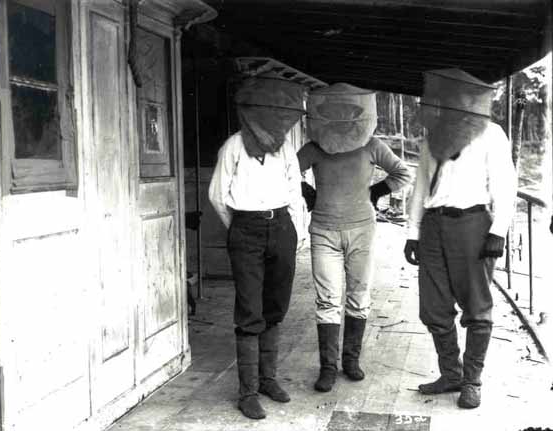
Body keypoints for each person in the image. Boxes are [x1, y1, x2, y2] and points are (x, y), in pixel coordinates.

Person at [404, 68, 517, 409]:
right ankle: (450, 373)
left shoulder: (491, 134)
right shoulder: (432, 138)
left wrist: (498, 231)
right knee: (433, 308)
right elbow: (420, 186)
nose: (456, 105)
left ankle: (472, 381)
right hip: (434, 226)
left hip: (473, 223)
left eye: (462, 99)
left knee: (477, 308)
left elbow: (505, 185)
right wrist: (412, 233)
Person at [297, 83, 412, 392]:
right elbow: (285, 172)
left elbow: (403, 173)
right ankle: (327, 368)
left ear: (356, 114)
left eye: (346, 112)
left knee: (359, 295)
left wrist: (376, 191)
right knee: (328, 298)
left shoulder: (372, 144)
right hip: (323, 230)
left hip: (362, 228)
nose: (340, 117)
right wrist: (309, 195)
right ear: (323, 114)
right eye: (333, 112)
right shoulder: (314, 146)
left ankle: (351, 361)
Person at [208, 77, 304, 420]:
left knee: (275, 306)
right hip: (245, 229)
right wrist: (241, 229)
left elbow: (295, 191)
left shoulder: (286, 148)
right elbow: (218, 196)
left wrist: (296, 231)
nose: (277, 121)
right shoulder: (233, 146)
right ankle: (247, 392)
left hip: (281, 227)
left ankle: (268, 380)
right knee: (250, 310)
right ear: (253, 113)